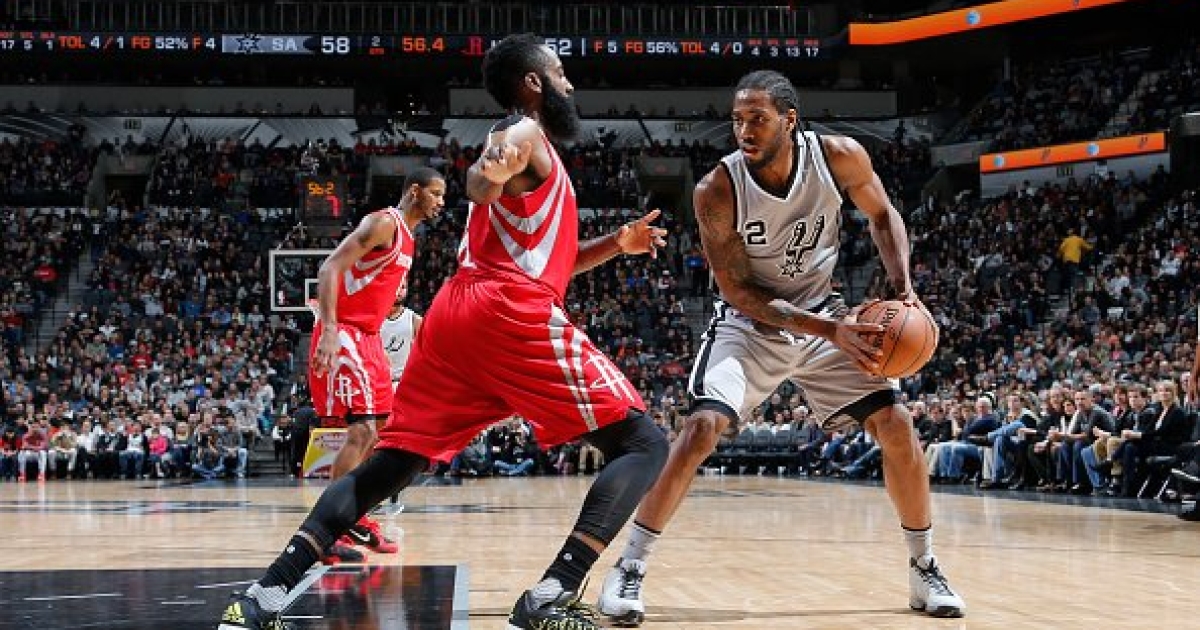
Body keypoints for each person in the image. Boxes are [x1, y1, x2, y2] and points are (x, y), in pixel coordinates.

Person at [217, 33, 669, 630]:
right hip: (507, 311)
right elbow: (486, 173)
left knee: (394, 461)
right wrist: (485, 171)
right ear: (534, 83)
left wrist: (617, 243)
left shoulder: (538, 163)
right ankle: (551, 594)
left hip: (457, 315)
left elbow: (552, 263)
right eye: (561, 73)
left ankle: (263, 597)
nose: (570, 83)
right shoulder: (522, 132)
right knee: (643, 444)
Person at [598, 69, 966, 625]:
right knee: (701, 429)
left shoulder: (840, 157)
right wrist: (829, 330)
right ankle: (629, 566)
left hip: (826, 314)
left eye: (758, 119)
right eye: (737, 120)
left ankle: (924, 565)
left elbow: (883, 215)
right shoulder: (717, 189)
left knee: (897, 425)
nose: (744, 130)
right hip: (752, 326)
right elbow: (737, 291)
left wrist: (903, 285)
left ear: (789, 120)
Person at [307, 167, 446, 562]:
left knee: (383, 433)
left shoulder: (410, 238)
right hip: (347, 330)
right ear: (414, 191)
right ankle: (328, 528)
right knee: (363, 430)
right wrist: (330, 329)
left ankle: (355, 515)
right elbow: (329, 267)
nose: (441, 202)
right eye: (436, 194)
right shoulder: (385, 223)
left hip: (370, 337)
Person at [379, 280, 422, 509]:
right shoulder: (374, 319)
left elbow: (429, 349)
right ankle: (374, 488)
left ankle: (394, 488)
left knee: (400, 441)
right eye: (397, 286)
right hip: (378, 384)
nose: (399, 290)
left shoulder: (414, 319)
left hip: (403, 385)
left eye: (403, 286)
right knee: (375, 440)